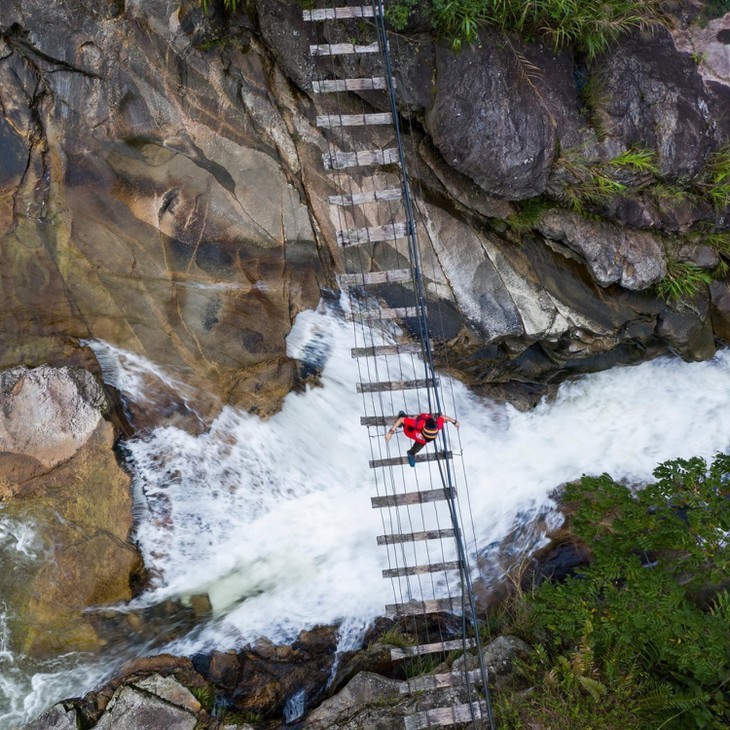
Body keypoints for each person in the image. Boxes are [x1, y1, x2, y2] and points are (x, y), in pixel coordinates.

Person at [385, 411, 460, 466]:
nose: (425, 439)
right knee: (406, 425)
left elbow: (443, 417)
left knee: (422, 443)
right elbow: (401, 419)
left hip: (421, 428)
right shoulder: (418, 424)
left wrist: (454, 421)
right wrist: (390, 433)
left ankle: (411, 453)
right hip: (411, 429)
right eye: (425, 437)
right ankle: (404, 419)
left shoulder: (437, 426)